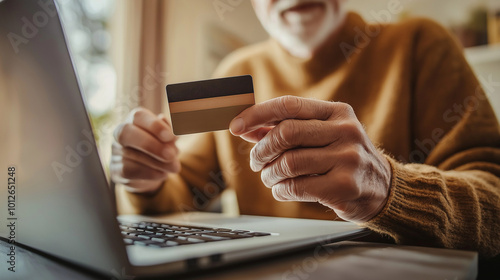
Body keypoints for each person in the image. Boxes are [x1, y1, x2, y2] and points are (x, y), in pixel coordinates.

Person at [111, 0, 500, 258]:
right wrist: (146, 181)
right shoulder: (234, 70)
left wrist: (388, 189)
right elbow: (181, 195)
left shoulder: (420, 44)